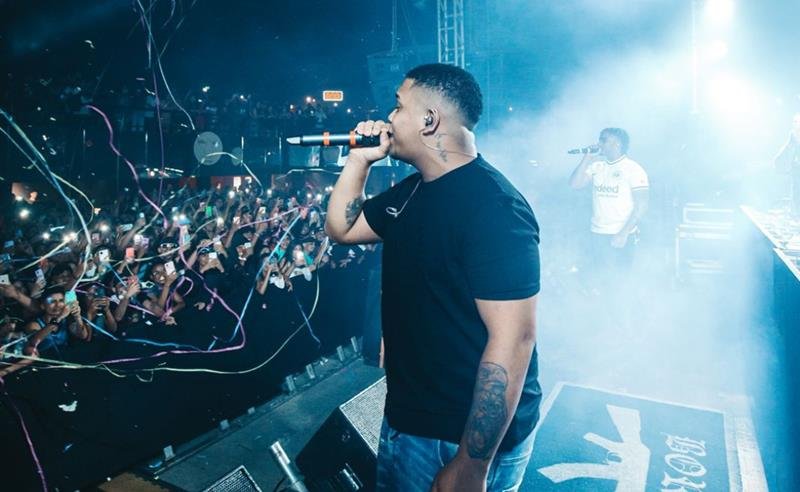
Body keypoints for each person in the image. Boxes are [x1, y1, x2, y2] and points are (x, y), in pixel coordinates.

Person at [325, 63, 541, 492]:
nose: (389, 118)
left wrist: (472, 463)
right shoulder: (412, 192)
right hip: (412, 417)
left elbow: (514, 338)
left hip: (456, 435)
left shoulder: (495, 208)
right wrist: (359, 160)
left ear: (429, 119)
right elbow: (342, 228)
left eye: (398, 106)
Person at [568, 127, 649, 279]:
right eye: (599, 139)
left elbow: (642, 205)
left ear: (617, 144)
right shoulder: (597, 166)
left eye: (603, 140)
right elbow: (575, 184)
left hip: (621, 233)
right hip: (598, 232)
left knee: (620, 279)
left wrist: (623, 233)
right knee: (600, 277)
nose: (599, 143)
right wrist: (586, 158)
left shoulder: (633, 169)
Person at [774, 112, 800, 215]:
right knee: (795, 192)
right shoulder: (794, 138)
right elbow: (780, 160)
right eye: (795, 123)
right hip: (796, 169)